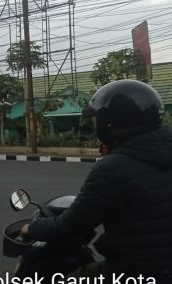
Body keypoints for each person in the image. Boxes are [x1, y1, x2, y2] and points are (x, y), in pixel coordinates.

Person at [21, 80, 172, 281]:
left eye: (97, 119)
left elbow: (71, 226)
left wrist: (30, 229)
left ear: (112, 122)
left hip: (137, 271)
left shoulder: (112, 168)